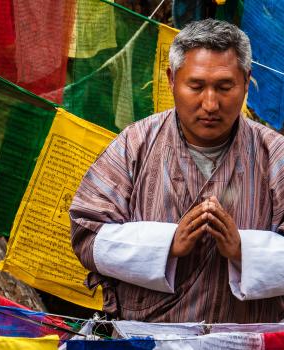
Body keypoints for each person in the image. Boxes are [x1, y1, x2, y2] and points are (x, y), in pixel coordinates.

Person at [69, 18, 284, 323]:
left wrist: (243, 251)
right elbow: (86, 233)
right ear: (171, 80)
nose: (210, 104)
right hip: (149, 340)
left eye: (224, 87)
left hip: (245, 339)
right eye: (196, 86)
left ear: (246, 82)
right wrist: (166, 244)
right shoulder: (135, 145)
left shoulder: (276, 156)